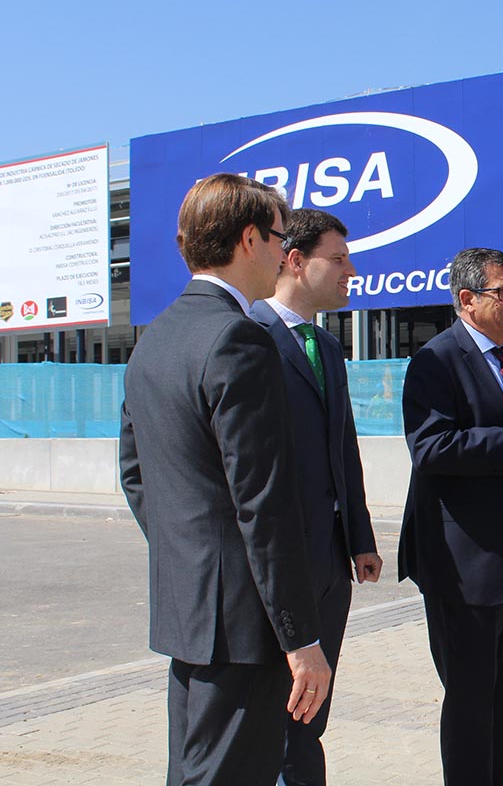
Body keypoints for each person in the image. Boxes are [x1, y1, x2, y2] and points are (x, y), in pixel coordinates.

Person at [119, 174, 331, 786]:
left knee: (194, 773)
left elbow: (136, 477)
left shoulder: (153, 340)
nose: (285, 252)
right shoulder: (239, 338)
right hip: (243, 626)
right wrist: (300, 638)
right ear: (247, 240)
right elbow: (261, 504)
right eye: (277, 237)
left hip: (188, 615)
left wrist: (191, 559)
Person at [397, 247, 503, 786]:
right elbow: (430, 448)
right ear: (467, 300)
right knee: (471, 703)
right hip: (462, 566)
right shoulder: (436, 360)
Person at [248, 208, 382, 786]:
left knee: (311, 713)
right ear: (296, 261)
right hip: (278, 564)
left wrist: (359, 538)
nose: (351, 269)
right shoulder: (249, 338)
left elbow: (342, 448)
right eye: (339, 258)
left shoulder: (327, 349)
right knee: (277, 713)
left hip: (329, 564)